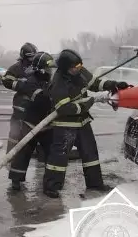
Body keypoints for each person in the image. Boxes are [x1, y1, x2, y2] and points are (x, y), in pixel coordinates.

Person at [43, 49, 131, 198]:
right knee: (59, 156)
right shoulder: (58, 83)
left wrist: (113, 84)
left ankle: (95, 184)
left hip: (82, 122)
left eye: (79, 66)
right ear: (65, 69)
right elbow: (65, 108)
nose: (78, 69)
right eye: (75, 68)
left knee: (90, 152)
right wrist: (86, 104)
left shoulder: (79, 70)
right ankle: (51, 187)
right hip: (66, 125)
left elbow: (94, 83)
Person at [7, 51, 56, 191]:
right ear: (40, 69)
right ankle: (16, 180)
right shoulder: (30, 81)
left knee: (52, 155)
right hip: (31, 124)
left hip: (47, 125)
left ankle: (51, 183)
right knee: (22, 153)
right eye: (48, 68)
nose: (50, 71)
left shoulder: (49, 80)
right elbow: (42, 100)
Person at [1, 42, 38, 155]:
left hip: (35, 105)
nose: (32, 59)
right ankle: (10, 157)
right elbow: (6, 81)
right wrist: (21, 86)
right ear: (24, 56)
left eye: (34, 56)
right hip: (20, 105)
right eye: (30, 57)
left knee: (37, 131)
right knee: (15, 132)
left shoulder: (38, 66)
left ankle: (36, 153)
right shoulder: (16, 68)